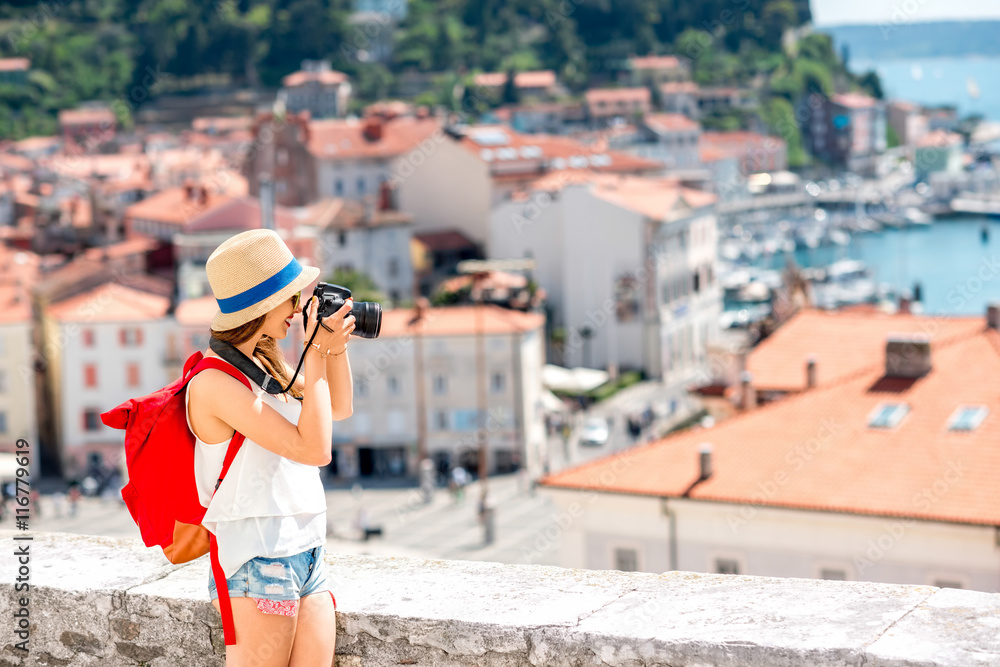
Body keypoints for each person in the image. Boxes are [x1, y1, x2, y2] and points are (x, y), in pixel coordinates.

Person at [185, 229, 354, 665]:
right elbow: (315, 450)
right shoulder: (213, 382)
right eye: (292, 297)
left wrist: (333, 349)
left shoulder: (267, 364)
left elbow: (338, 409)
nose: (299, 309)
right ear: (260, 306)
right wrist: (314, 350)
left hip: (308, 549)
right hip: (258, 557)